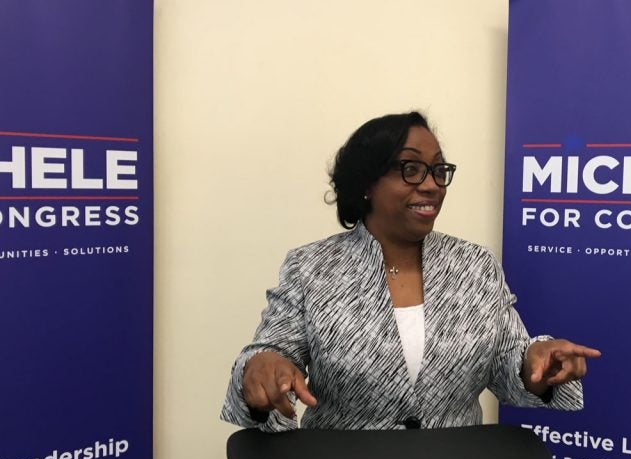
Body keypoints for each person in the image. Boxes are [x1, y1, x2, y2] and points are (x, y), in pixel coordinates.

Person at [221, 111, 600, 432]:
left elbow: (507, 361)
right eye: (412, 169)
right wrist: (261, 367)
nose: (433, 185)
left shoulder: (474, 265)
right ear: (367, 183)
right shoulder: (312, 268)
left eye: (438, 170)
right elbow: (274, 352)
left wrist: (536, 362)